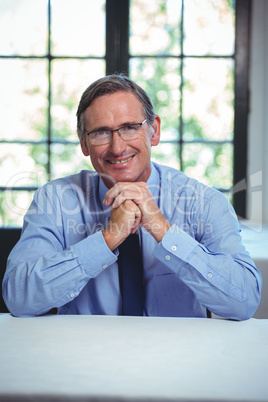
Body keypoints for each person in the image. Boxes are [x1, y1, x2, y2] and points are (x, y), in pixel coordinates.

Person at [2, 74, 262, 319]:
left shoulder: (203, 202)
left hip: (179, 360)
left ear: (154, 131)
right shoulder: (55, 201)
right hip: (82, 359)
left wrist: (163, 229)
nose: (117, 147)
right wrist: (108, 238)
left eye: (129, 127)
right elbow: (18, 298)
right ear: (84, 143)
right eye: (101, 132)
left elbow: (244, 302)